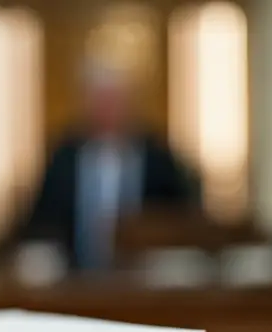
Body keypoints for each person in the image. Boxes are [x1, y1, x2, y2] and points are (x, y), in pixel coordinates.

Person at [11, 61, 200, 272]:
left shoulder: (158, 157)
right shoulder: (63, 157)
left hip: (145, 280)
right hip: (72, 280)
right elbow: (39, 221)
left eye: (114, 101)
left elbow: (182, 217)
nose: (107, 110)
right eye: (100, 101)